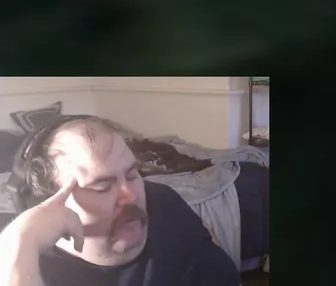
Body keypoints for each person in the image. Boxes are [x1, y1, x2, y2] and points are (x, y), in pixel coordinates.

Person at [0, 116, 239, 286]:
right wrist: (19, 244)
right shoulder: (27, 262)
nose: (132, 196)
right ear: (48, 203)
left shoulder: (162, 200)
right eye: (102, 187)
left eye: (132, 174)